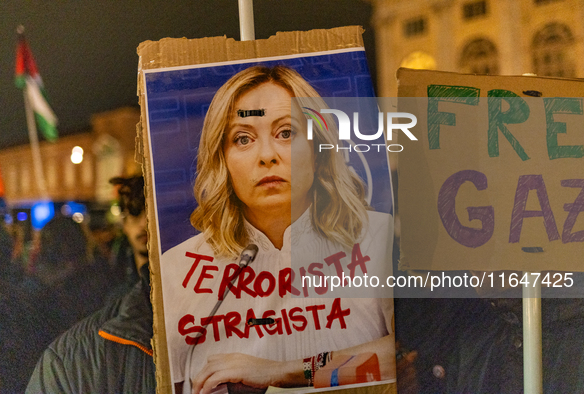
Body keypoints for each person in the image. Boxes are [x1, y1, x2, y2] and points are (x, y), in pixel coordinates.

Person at [158, 65, 395, 394]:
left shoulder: (380, 240)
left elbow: (411, 352)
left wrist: (285, 372)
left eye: (286, 133)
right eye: (243, 139)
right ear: (222, 158)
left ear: (317, 147)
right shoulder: (175, 270)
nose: (267, 156)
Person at [26, 175, 156, 393]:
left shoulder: (105, 281)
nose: (144, 222)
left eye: (150, 212)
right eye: (134, 213)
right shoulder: (109, 288)